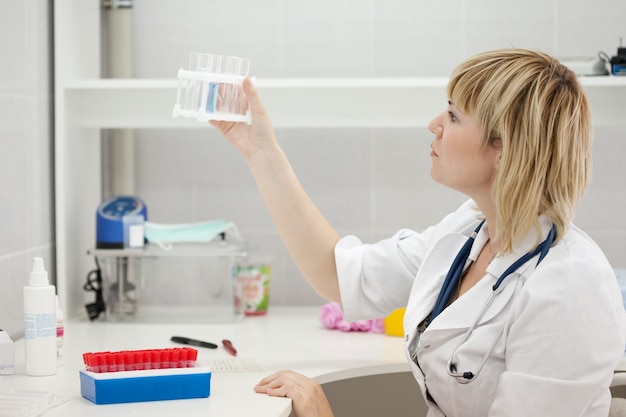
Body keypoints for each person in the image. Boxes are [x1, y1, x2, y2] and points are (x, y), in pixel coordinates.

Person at [211, 48, 626, 417]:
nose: (434, 124)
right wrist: (260, 150)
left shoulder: (569, 285)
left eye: (453, 114)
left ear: (504, 148)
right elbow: (338, 275)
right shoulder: (467, 232)